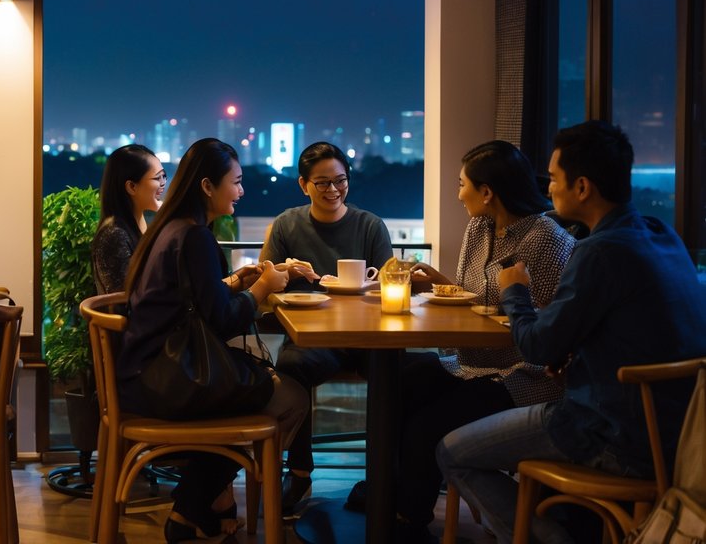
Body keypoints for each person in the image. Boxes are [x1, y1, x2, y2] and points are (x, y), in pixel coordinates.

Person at [438, 121, 706, 544]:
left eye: (556, 180)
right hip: (676, 435)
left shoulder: (597, 251)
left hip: (608, 432)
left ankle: (548, 539)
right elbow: (633, 329)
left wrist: (516, 291)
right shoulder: (659, 233)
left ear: (582, 187)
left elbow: (536, 345)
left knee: (451, 451)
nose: (548, 191)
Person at [347, 140, 574, 543]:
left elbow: (550, 325)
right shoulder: (479, 227)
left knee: (425, 426)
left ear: (487, 192)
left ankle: (406, 519)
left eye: (462, 184)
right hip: (473, 362)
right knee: (402, 383)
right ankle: (388, 492)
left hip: (521, 374)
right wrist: (439, 283)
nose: (458, 193)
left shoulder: (545, 239)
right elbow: (476, 299)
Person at [116, 138, 308, 542]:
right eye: (235, 182)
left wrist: (239, 281)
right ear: (207, 186)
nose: (241, 191)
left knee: (261, 390)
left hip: (144, 372)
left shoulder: (170, 229)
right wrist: (261, 291)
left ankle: (196, 508)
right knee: (289, 399)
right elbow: (220, 320)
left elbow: (192, 300)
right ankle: (192, 503)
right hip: (166, 380)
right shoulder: (195, 237)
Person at [258, 140, 392, 511]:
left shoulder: (369, 226)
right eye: (322, 183)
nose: (333, 190)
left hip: (367, 337)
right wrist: (284, 271)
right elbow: (265, 286)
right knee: (289, 368)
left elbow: (390, 282)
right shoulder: (287, 224)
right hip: (312, 340)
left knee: (400, 373)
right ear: (304, 184)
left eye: (340, 180)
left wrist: (369, 286)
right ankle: (299, 474)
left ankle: (385, 477)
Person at [91, 144, 165, 294]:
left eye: (164, 175)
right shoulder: (114, 234)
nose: (163, 183)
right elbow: (127, 297)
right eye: (157, 178)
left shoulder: (139, 222)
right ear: (132, 187)